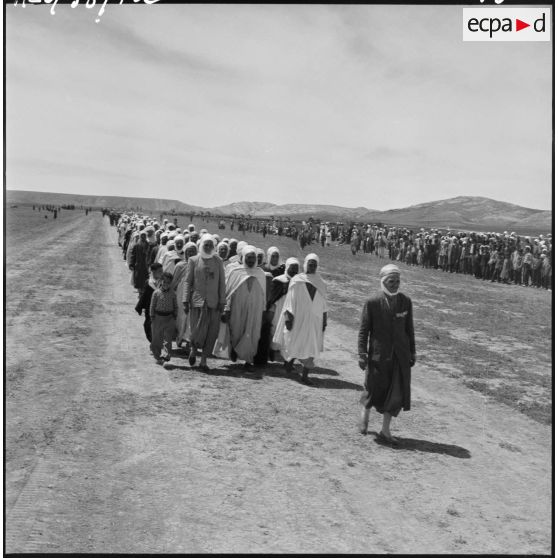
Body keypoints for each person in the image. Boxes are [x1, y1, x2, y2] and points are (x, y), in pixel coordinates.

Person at [357, 264, 416, 443]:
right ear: (383, 281)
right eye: (391, 281)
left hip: (400, 356)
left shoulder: (406, 302)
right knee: (373, 388)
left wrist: (412, 351)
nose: (395, 284)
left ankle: (385, 430)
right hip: (378, 356)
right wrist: (361, 353)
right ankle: (364, 416)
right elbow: (364, 330)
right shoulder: (372, 302)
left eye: (398, 281)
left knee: (396, 392)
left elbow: (409, 329)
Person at [272, 253, 328, 385]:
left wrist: (324, 320)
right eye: (310, 264)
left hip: (315, 319)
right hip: (298, 317)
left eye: (314, 265)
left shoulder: (321, 283)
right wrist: (288, 318)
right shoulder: (297, 280)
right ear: (305, 265)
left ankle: (305, 375)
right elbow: (289, 301)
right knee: (294, 341)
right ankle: (288, 365)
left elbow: (324, 304)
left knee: (311, 345)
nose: (312, 266)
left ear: (317, 266)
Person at [183, 234, 226, 371]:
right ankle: (194, 350)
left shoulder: (218, 261)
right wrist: (185, 300)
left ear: (214, 247)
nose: (208, 247)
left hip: (213, 303)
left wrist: (222, 301)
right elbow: (188, 281)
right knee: (195, 330)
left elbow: (222, 283)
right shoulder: (193, 260)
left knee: (211, 332)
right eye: (205, 245)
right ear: (201, 245)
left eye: (210, 245)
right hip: (197, 302)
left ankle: (203, 360)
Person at [223, 245, 266, 368]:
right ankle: (235, 349)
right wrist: (226, 308)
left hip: (255, 310)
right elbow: (229, 293)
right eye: (248, 257)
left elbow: (264, 295)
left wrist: (263, 311)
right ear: (243, 258)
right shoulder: (235, 272)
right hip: (238, 307)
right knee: (236, 330)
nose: (251, 260)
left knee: (253, 333)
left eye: (253, 257)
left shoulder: (260, 273)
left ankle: (248, 360)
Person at [268, 257, 300, 361]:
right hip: (279, 308)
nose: (294, 271)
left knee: (288, 332)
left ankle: (286, 357)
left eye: (296, 269)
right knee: (276, 329)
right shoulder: (278, 280)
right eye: (292, 268)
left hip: (291, 310)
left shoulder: (299, 282)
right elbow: (272, 298)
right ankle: (272, 352)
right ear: (287, 267)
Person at [149, 271, 178, 364]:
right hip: (157, 318)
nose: (166, 284)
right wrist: (152, 316)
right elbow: (152, 306)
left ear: (171, 283)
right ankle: (157, 356)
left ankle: (166, 355)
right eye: (164, 282)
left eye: (168, 282)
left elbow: (176, 306)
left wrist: (174, 315)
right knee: (157, 338)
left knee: (168, 339)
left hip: (169, 318)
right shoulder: (156, 293)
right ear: (161, 281)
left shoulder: (173, 294)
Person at [135, 262, 163, 343]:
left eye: (162, 271)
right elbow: (144, 296)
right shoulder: (149, 282)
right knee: (147, 325)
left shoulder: (163, 282)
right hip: (149, 308)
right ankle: (153, 341)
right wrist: (139, 307)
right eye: (159, 271)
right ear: (153, 271)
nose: (162, 273)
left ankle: (156, 343)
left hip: (160, 308)